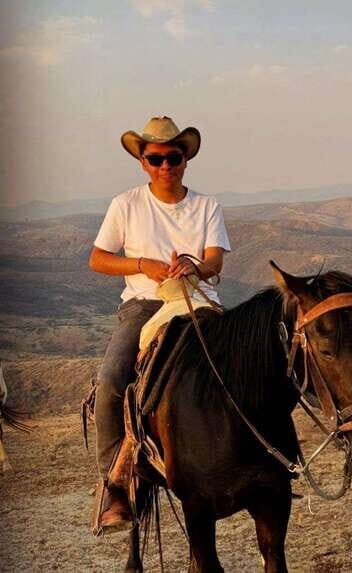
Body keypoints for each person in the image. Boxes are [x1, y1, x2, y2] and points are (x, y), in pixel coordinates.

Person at [89, 116, 231, 533]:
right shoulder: (126, 204)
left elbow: (215, 260)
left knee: (253, 360)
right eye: (156, 158)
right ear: (143, 162)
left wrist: (195, 266)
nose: (165, 165)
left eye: (174, 157)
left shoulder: (207, 206)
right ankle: (114, 482)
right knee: (112, 379)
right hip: (144, 305)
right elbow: (98, 258)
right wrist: (141, 265)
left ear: (185, 160)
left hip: (198, 300)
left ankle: (267, 453)